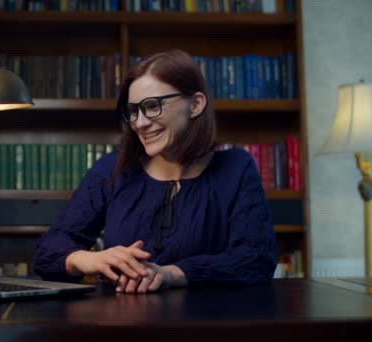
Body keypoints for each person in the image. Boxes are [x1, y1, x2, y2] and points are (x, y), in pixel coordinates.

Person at [33, 49, 276, 293]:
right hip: (125, 323)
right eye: (134, 110)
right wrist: (91, 259)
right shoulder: (110, 169)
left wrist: (171, 273)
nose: (139, 122)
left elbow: (256, 260)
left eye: (152, 106)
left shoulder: (236, 168)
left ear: (195, 104)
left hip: (207, 325)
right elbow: (47, 253)